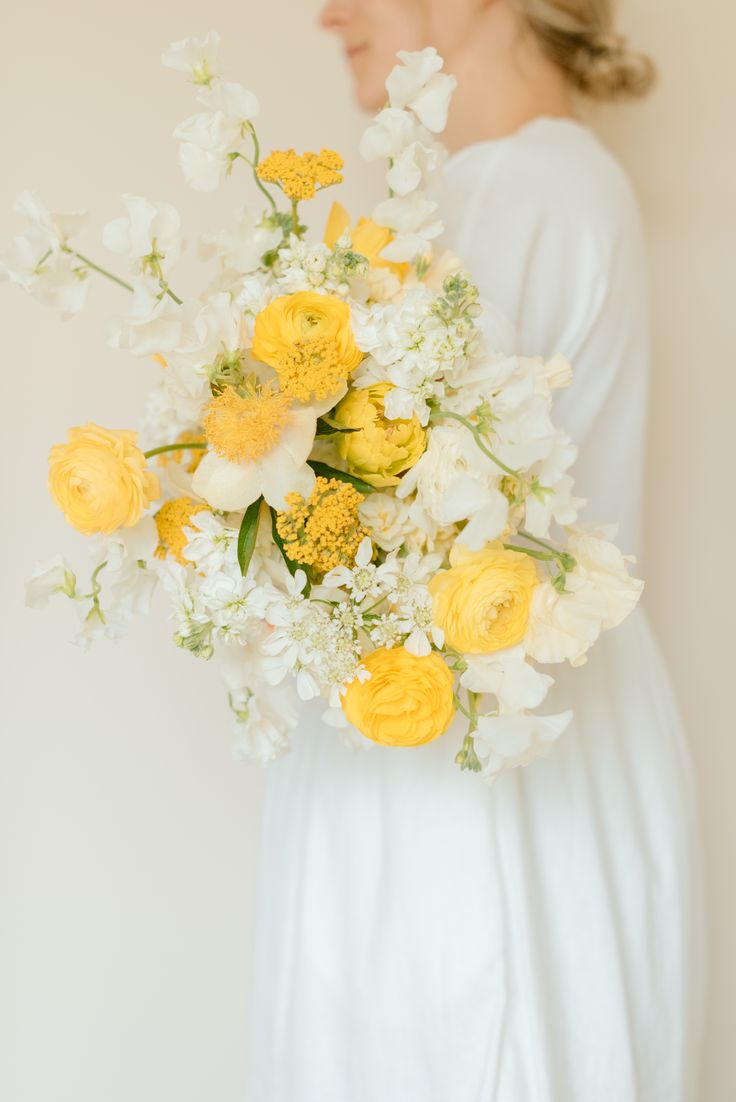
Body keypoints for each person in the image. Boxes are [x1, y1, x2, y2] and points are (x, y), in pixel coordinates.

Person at [245, 2, 706, 1099]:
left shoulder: (515, 188)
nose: (329, 13)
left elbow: (406, 507)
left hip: (476, 780)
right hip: (514, 736)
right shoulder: (532, 182)